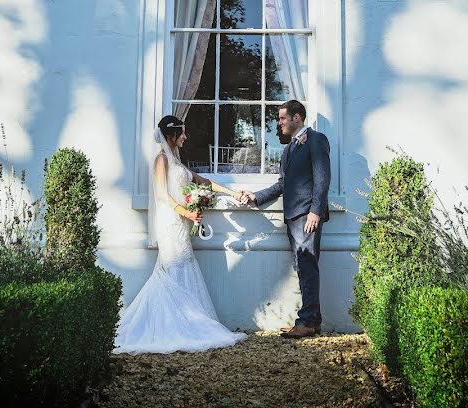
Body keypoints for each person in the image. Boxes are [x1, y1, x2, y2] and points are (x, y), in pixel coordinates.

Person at [113, 115, 247, 354]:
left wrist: (231, 192)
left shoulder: (177, 160)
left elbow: (202, 180)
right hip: (170, 223)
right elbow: (162, 195)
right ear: (172, 136)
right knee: (174, 266)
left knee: (182, 266)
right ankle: (174, 325)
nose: (186, 136)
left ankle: (188, 322)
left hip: (181, 224)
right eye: (182, 133)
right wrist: (187, 212)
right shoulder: (161, 160)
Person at [238, 100, 330, 338]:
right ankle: (312, 320)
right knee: (302, 267)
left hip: (307, 216)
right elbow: (282, 184)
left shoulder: (316, 140)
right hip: (292, 216)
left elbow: (322, 178)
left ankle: (307, 321)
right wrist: (255, 197)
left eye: (282, 119)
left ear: (297, 118)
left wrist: (315, 211)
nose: (278, 123)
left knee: (307, 266)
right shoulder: (289, 150)